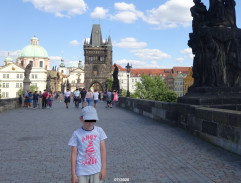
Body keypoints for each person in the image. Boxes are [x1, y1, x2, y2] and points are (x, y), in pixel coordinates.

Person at [68, 106, 107, 183]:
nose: (90, 123)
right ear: (81, 119)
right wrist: (73, 174)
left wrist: (103, 168)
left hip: (96, 170)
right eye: (88, 120)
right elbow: (74, 154)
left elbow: (103, 150)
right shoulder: (76, 134)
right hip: (81, 171)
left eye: (93, 120)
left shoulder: (99, 131)